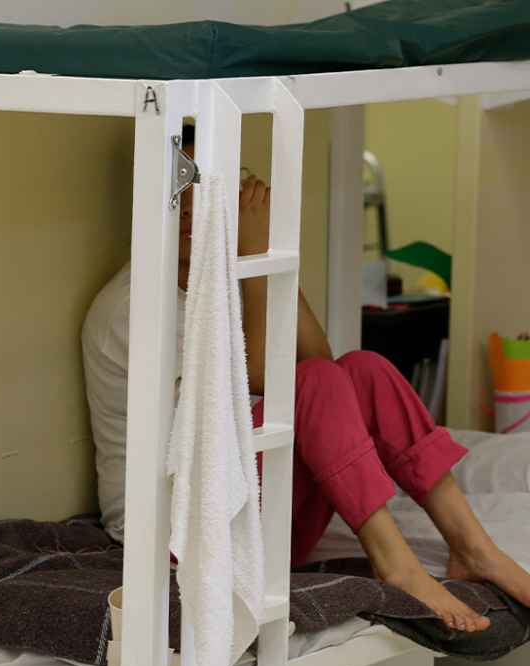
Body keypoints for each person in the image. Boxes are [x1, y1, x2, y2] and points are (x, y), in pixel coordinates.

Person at [83, 125, 530, 633]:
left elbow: (323, 363)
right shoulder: (132, 307)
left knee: (362, 369)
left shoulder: (223, 279)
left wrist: (267, 259)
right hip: (181, 534)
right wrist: (253, 263)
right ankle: (395, 563)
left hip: (260, 520)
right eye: (176, 191)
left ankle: (474, 547)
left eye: (207, 188)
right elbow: (251, 387)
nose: (190, 208)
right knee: (312, 382)